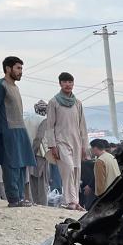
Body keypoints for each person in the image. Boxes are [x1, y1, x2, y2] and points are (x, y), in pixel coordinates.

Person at [0, 56, 36, 207]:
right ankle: (14, 199)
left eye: (21, 68)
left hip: (20, 130)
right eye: (18, 68)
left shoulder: (15, 86)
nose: (20, 72)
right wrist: (1, 129)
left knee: (22, 165)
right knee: (11, 166)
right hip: (7, 131)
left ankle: (21, 197)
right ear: (8, 69)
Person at [43, 72, 89, 210]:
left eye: (70, 82)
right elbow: (49, 126)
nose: (68, 84)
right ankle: (70, 201)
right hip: (61, 142)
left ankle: (75, 202)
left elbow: (83, 126)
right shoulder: (53, 102)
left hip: (76, 142)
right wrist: (52, 145)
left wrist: (84, 146)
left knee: (76, 171)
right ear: (60, 84)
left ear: (73, 84)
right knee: (68, 169)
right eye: (65, 82)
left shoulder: (78, 103)